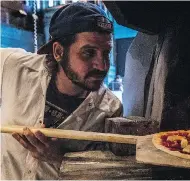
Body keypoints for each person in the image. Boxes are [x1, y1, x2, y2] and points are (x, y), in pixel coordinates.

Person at [0, 2, 122, 180]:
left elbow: (106, 175)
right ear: (58, 52)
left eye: (106, 53)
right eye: (88, 53)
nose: (102, 65)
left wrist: (60, 158)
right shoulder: (13, 67)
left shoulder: (110, 111)